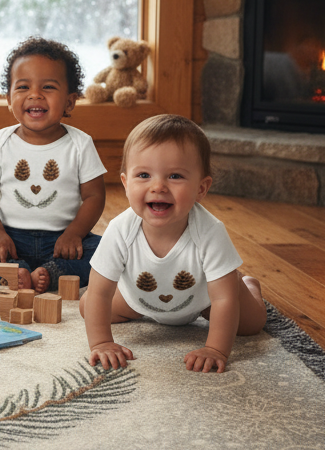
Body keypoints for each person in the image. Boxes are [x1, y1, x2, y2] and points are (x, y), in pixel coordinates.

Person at [80, 114, 266, 373]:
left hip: (204, 300)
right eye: (144, 175)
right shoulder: (120, 229)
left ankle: (247, 284)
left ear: (201, 188)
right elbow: (100, 293)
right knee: (88, 305)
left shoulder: (210, 231)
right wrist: (101, 343)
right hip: (141, 298)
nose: (158, 186)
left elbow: (223, 299)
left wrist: (215, 349)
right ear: (125, 183)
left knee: (251, 324)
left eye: (175, 176)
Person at [0, 37, 106, 292]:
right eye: (23, 87)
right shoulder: (0, 141)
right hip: (11, 240)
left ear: (69, 101)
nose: (35, 94)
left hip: (61, 241)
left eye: (48, 87)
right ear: (9, 98)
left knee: (107, 250)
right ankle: (17, 270)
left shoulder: (80, 143)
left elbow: (94, 196)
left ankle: (50, 273)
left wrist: (75, 234)